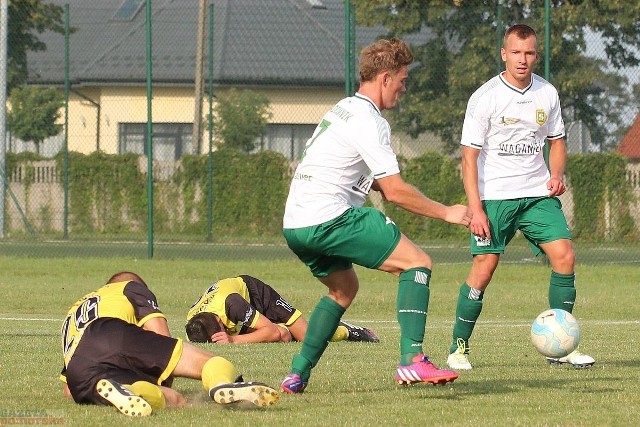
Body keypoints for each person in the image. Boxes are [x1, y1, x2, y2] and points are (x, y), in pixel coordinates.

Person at [279, 37, 473, 394]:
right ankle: (413, 361)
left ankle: (296, 375)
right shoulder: (370, 120)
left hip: (296, 224)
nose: (403, 88)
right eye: (402, 80)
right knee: (417, 263)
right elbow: (395, 191)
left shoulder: (341, 109)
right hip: (330, 218)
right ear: (384, 78)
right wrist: (448, 212)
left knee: (343, 290)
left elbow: (375, 183)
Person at [446, 24, 595, 371]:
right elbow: (468, 157)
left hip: (536, 194)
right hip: (495, 197)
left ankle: (561, 345)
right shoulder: (485, 97)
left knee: (565, 256)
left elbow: (556, 141)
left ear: (536, 55)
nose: (522, 60)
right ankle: (458, 348)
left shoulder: (548, 93)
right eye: (516, 52)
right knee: (484, 269)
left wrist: (556, 175)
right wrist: (476, 209)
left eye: (528, 53)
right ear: (504, 54)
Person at [60, 271, 279, 417]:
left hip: (80, 370)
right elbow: (161, 335)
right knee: (208, 362)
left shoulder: (72, 313)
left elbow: (69, 390)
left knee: (175, 400)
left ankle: (128, 390)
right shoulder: (131, 287)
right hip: (111, 331)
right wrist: (166, 370)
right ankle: (222, 383)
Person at [185, 274, 379, 344]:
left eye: (222, 331)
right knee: (285, 336)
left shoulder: (232, 304)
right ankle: (285, 329)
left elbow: (270, 332)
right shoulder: (193, 325)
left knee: (306, 336)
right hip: (236, 308)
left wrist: (233, 340)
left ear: (220, 321)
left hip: (256, 294)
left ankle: (347, 330)